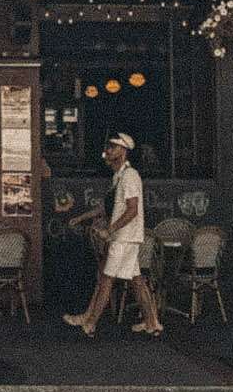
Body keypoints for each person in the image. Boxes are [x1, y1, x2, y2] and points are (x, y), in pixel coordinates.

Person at [63, 133, 163, 338]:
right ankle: (152, 323)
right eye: (108, 147)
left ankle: (90, 323)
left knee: (106, 278)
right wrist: (81, 217)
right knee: (136, 281)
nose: (108, 151)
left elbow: (132, 209)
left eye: (113, 147)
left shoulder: (130, 176)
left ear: (123, 151)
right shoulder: (118, 177)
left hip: (124, 238)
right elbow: (107, 207)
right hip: (125, 237)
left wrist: (110, 230)